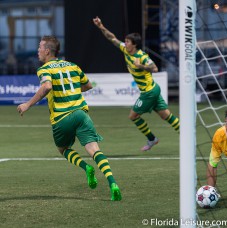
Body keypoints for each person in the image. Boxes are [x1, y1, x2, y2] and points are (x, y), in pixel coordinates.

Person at [17, 35, 122, 201]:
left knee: (63, 149)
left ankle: (86, 168)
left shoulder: (44, 69)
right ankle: (113, 183)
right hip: (81, 114)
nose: (37, 51)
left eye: (39, 47)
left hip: (62, 118)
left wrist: (27, 104)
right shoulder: (73, 66)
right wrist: (71, 91)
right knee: (95, 150)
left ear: (47, 51)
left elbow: (47, 86)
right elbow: (88, 85)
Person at [92, 16, 180, 151]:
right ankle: (187, 136)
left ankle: (152, 139)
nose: (125, 43)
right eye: (125, 41)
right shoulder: (125, 50)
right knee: (166, 116)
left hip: (149, 92)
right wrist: (100, 26)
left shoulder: (142, 57)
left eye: (127, 42)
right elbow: (112, 38)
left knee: (133, 116)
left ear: (134, 45)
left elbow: (155, 68)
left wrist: (141, 67)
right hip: (153, 90)